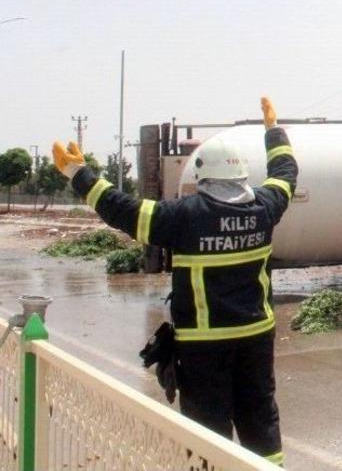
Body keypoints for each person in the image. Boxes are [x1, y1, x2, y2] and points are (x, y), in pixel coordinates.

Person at [52, 97, 297, 466]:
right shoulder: (265, 207)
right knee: (261, 420)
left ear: (201, 177)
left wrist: (78, 174)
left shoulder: (184, 216)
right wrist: (273, 131)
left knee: (207, 434)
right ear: (242, 174)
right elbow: (285, 174)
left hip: (204, 345)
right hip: (256, 339)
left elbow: (123, 210)